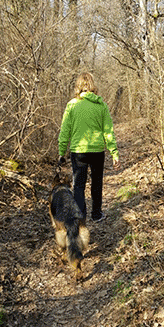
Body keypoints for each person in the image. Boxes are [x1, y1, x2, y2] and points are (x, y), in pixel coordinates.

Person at [58, 72, 120, 222]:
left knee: (78, 185)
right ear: (93, 86)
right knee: (96, 182)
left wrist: (62, 151)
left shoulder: (72, 105)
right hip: (97, 150)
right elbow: (108, 131)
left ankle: (80, 218)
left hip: (78, 151)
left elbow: (65, 130)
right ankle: (97, 214)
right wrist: (114, 153)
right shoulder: (101, 105)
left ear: (78, 86)